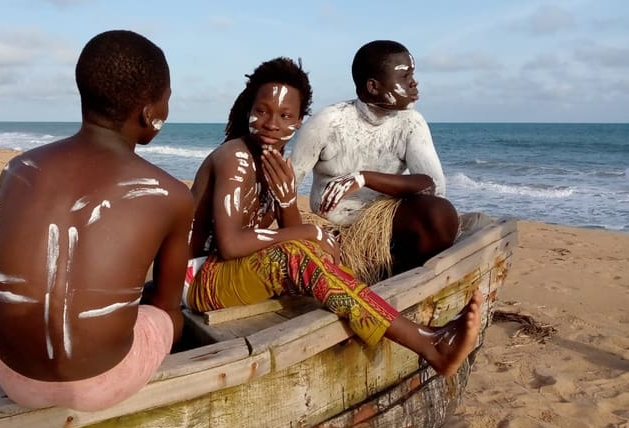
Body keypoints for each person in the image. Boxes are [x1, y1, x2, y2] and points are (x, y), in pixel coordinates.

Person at [186, 57, 481, 377]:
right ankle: (429, 343)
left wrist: (287, 201)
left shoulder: (273, 161)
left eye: (286, 115)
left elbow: (292, 231)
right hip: (197, 281)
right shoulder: (236, 158)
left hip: (231, 273)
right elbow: (230, 244)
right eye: (262, 111)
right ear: (248, 111)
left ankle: (383, 329)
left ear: (299, 122)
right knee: (299, 250)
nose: (273, 123)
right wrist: (310, 234)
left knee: (319, 251)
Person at [0, 30, 193, 412]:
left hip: (8, 370)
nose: (165, 110)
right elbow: (166, 305)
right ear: (148, 113)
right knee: (164, 317)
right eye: (166, 100)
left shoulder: (17, 169)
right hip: (100, 383)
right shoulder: (172, 195)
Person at [290, 40, 459, 285]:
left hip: (387, 225)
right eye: (404, 76)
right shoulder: (327, 123)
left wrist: (364, 177)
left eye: (412, 74)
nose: (414, 82)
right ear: (373, 86)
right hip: (334, 230)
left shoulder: (411, 122)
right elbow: (287, 187)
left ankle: (402, 277)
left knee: (439, 214)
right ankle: (366, 272)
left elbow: (435, 189)